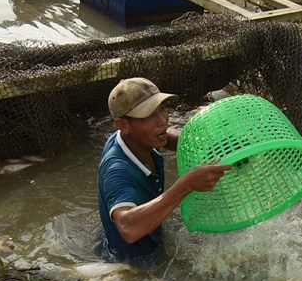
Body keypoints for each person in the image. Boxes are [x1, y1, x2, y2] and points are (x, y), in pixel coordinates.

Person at [97, 77, 230, 263]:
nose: (162, 120)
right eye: (149, 115)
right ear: (123, 125)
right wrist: (186, 185)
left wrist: (216, 147)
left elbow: (170, 138)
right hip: (135, 264)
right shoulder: (117, 170)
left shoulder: (136, 138)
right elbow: (128, 228)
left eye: (162, 109)